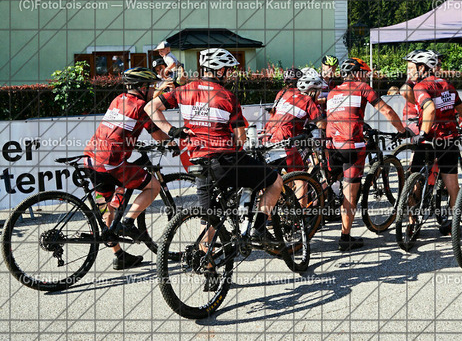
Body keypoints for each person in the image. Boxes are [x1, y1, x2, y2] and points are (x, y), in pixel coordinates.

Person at [144, 48, 284, 248]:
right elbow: (240, 138)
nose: (230, 74)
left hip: (198, 161)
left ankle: (204, 260)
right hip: (225, 160)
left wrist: (173, 131)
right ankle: (259, 230)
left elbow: (150, 107)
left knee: (211, 218)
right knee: (275, 180)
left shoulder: (184, 90)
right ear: (219, 70)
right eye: (228, 69)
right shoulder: (227, 96)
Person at [83, 67, 167, 270]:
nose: (153, 90)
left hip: (91, 158)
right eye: (151, 86)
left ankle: (119, 255)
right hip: (111, 164)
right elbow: (157, 134)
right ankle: (128, 222)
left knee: (107, 205)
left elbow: (117, 130)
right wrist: (173, 142)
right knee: (153, 186)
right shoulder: (142, 106)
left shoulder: (118, 99)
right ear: (142, 87)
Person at [325, 57, 410, 251]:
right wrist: (401, 130)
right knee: (350, 193)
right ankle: (345, 238)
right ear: (356, 73)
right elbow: (387, 111)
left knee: (333, 180)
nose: (366, 77)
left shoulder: (333, 92)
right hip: (351, 147)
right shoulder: (362, 88)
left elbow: (342, 115)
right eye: (364, 73)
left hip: (332, 145)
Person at [407, 50, 462, 235]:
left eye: (411, 68)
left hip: (429, 139)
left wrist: (423, 133)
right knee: (452, 186)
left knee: (414, 180)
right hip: (449, 139)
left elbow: (430, 109)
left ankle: (411, 223)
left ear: (422, 68)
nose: (408, 72)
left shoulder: (420, 86)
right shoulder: (447, 85)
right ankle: (454, 225)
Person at [264, 68, 325, 173]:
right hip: (285, 139)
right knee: (299, 176)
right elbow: (321, 124)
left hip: (268, 135)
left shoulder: (283, 94)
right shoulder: (306, 99)